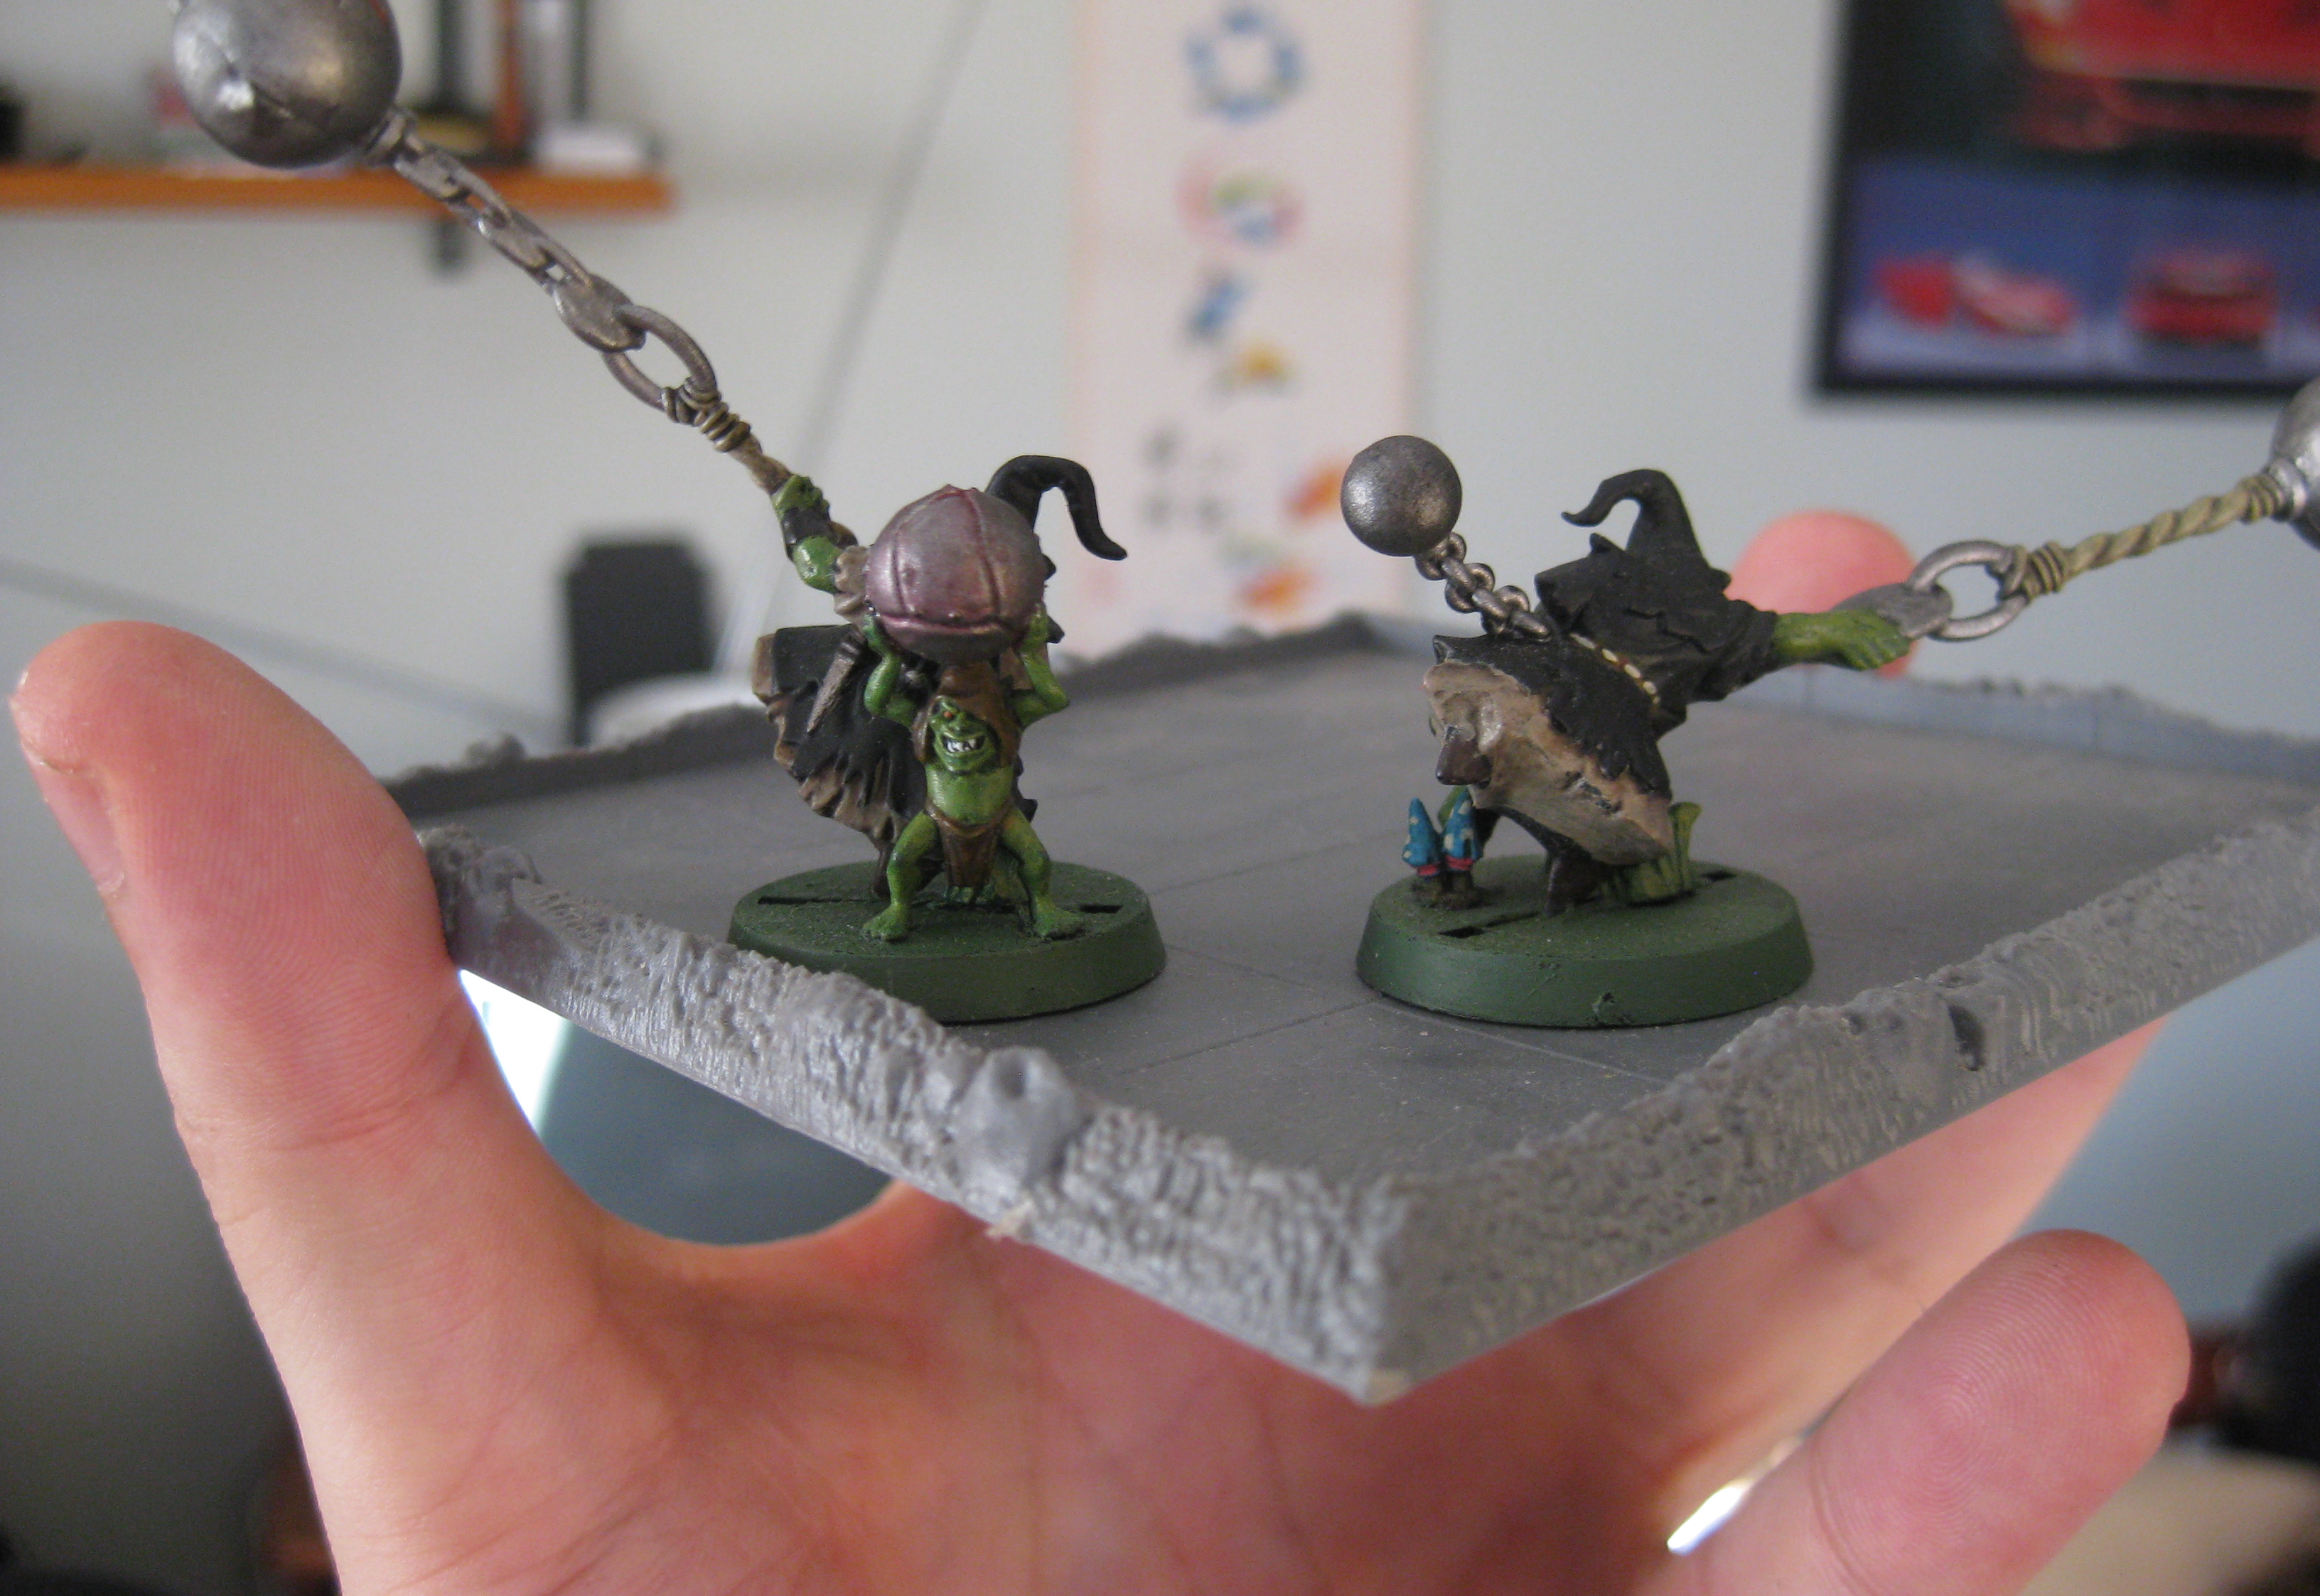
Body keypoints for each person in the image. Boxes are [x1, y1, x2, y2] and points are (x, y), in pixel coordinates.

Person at [13, 621, 2187, 1595]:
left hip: (1236, 883)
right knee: (971, 866)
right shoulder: (919, 719)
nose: (981, 691)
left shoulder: (1038, 709)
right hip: (973, 882)